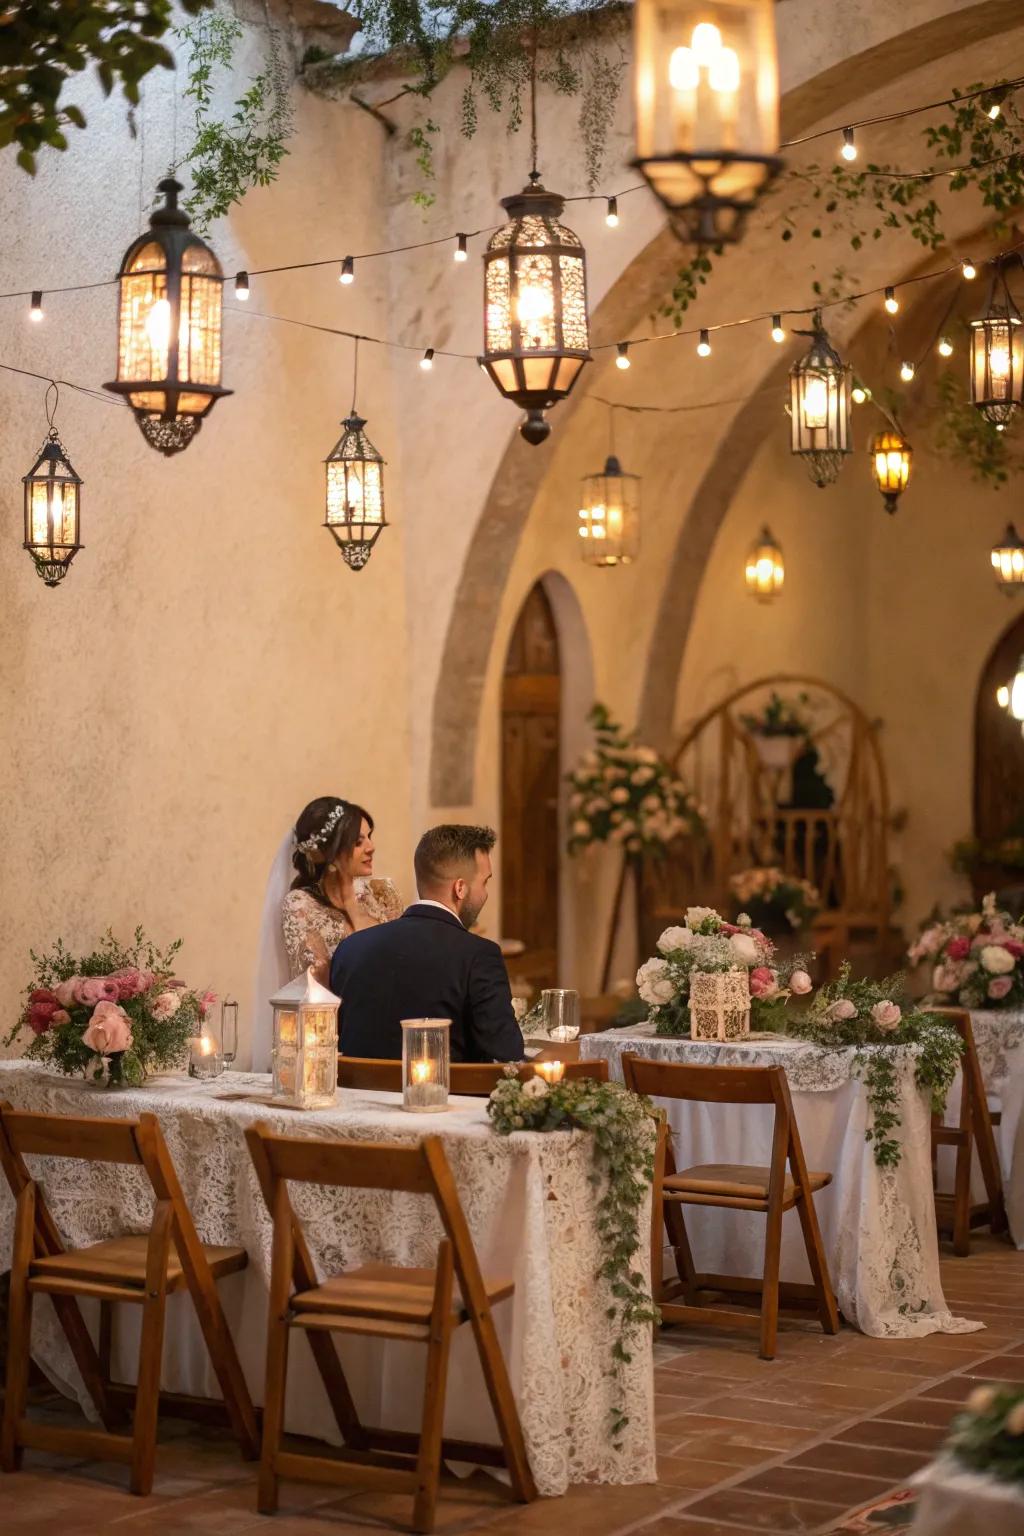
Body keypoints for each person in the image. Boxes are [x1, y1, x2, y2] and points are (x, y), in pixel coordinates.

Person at [330, 824, 525, 1064]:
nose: (485, 894)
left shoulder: (350, 948)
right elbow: (507, 1057)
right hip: (444, 1098)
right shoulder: (479, 955)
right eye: (484, 882)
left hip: (357, 1097)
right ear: (460, 888)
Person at [250, 796, 402, 1070]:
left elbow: (401, 960)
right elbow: (317, 987)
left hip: (397, 1032)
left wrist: (352, 905)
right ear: (328, 855)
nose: (371, 847)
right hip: (337, 1046)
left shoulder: (383, 893)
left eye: (369, 837)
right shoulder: (300, 905)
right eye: (358, 842)